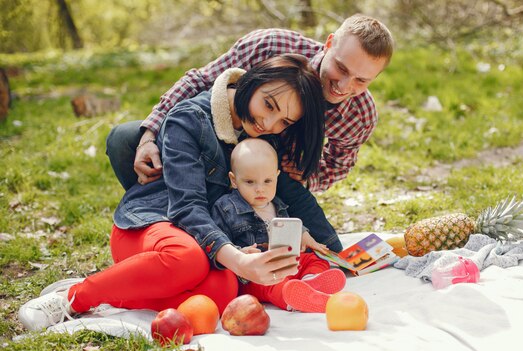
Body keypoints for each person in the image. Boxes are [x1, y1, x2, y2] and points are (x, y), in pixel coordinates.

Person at [18, 54, 330, 332]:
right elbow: (187, 208)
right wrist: (234, 257)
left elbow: (271, 197)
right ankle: (72, 297)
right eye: (269, 105)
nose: (269, 122)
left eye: (284, 121)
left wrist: (318, 242)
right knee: (189, 260)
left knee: (223, 289)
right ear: (251, 81)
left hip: (200, 242)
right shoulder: (189, 117)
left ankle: (116, 289)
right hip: (151, 226)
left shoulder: (262, 138)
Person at [105, 14, 394, 250]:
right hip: (216, 141)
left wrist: (305, 173)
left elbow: (337, 165)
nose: (344, 85)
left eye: (361, 80)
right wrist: (150, 133)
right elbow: (202, 79)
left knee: (325, 242)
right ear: (329, 44)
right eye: (340, 68)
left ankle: (239, 229)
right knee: (125, 139)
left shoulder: (361, 115)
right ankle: (160, 224)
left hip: (272, 172)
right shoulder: (271, 45)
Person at [211, 138, 346, 313]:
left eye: (267, 181)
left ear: (276, 176)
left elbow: (290, 224)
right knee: (272, 284)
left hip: (285, 262)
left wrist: (305, 237)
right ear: (234, 180)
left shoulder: (277, 203)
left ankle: (311, 280)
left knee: (314, 258)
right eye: (250, 182)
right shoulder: (225, 207)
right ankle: (293, 297)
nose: (260, 189)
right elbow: (220, 242)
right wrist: (239, 253)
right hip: (256, 273)